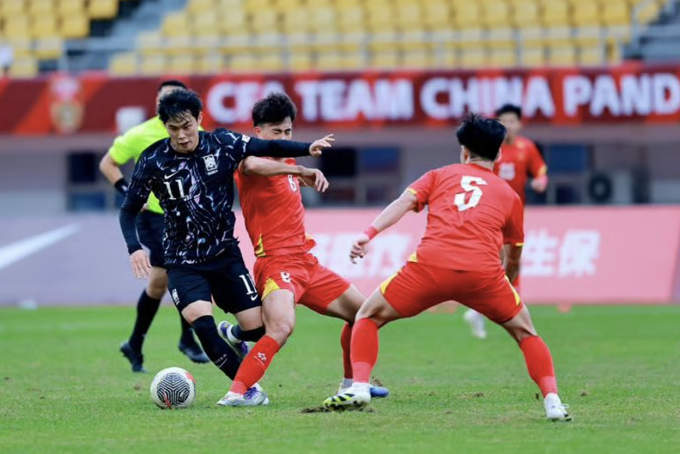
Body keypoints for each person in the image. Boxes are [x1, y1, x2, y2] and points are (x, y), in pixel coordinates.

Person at [322, 114, 570, 422]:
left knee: (367, 316)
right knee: (526, 333)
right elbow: (515, 253)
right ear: (498, 153)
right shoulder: (510, 195)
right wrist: (504, 283)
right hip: (483, 274)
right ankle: (553, 402)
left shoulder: (439, 175)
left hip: (430, 267)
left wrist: (369, 234)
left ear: (464, 151)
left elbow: (402, 203)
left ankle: (359, 386)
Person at [118, 89, 335, 406]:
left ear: (199, 119)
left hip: (224, 257)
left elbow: (267, 146)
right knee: (202, 325)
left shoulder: (222, 143)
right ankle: (247, 390)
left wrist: (306, 149)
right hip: (182, 261)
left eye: (187, 126)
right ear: (165, 126)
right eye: (173, 128)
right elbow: (127, 210)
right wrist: (134, 247)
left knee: (259, 330)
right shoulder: (152, 159)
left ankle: (234, 336)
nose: (182, 135)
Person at [216, 92, 388, 405]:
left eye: (288, 132)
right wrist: (299, 170)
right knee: (281, 328)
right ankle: (237, 393)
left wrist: (311, 174)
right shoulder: (249, 160)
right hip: (276, 264)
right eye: (276, 132)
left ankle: (351, 385)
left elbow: (292, 181)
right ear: (258, 132)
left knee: (364, 314)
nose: (283, 139)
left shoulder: (290, 164)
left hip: (307, 263)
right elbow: (252, 166)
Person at [100, 80, 208, 372]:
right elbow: (107, 163)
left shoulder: (194, 131)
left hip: (186, 216)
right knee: (183, 269)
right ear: (158, 105)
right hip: (154, 217)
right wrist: (128, 192)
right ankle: (187, 339)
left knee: (158, 284)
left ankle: (134, 344)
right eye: (165, 100)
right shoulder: (140, 134)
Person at [464, 104, 549, 340]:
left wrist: (541, 182)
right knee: (507, 258)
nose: (508, 126)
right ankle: (507, 307)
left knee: (508, 258)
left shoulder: (527, 148)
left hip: (515, 212)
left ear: (520, 123)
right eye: (504, 121)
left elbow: (540, 172)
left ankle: (479, 310)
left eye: (512, 121)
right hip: (492, 212)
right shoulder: (492, 148)